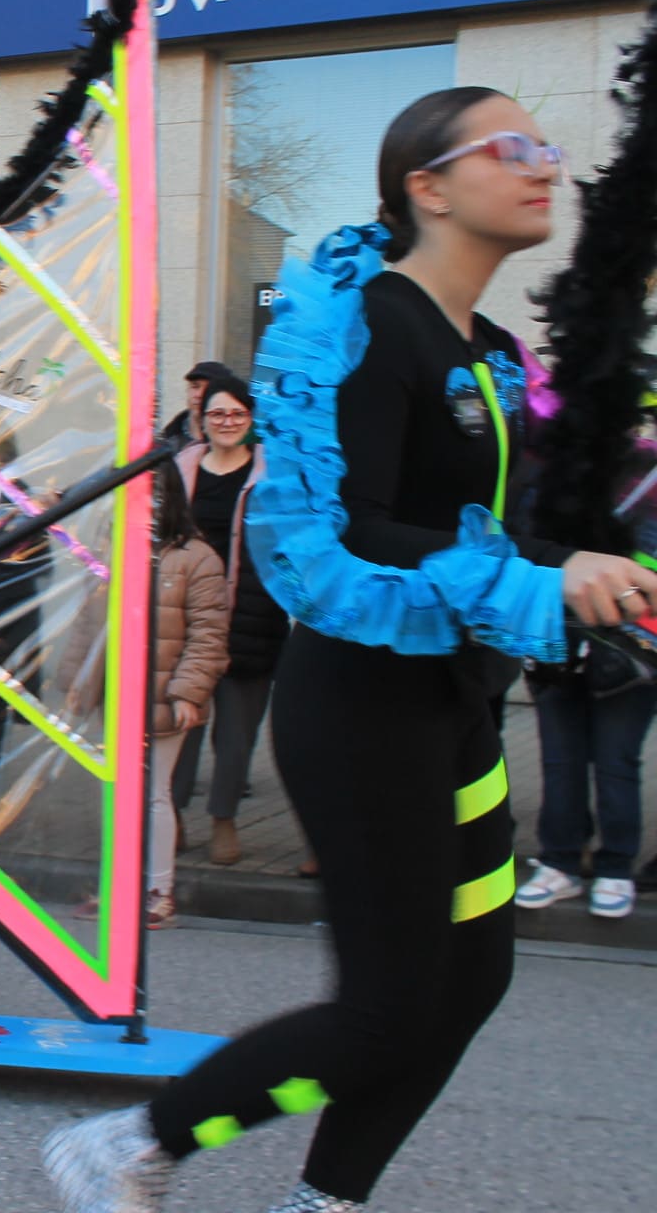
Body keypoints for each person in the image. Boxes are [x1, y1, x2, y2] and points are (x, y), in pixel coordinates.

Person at [43, 88, 657, 1213]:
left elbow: (504, 533)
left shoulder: (494, 352)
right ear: (426, 184)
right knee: (388, 999)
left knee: (471, 979)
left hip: (455, 706)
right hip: (361, 710)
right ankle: (132, 1141)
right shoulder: (363, 325)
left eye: (548, 148)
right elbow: (338, 535)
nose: (544, 168)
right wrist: (537, 577)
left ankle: (325, 1201)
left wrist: (591, 570)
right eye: (511, 147)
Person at [172, 375, 291, 865]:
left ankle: (223, 818)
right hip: (184, 616)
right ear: (203, 418)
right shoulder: (181, 467)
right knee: (180, 723)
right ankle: (171, 813)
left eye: (237, 415)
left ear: (251, 420)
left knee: (236, 731)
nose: (226, 423)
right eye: (217, 414)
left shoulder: (272, 473)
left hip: (250, 613)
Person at [139, 465, 230, 927]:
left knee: (153, 794)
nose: (146, 503)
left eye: (154, 493)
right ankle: (124, 888)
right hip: (121, 692)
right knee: (121, 794)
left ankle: (159, 891)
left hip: (164, 695)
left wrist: (186, 693)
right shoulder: (117, 544)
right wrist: (78, 682)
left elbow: (209, 635)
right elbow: (91, 623)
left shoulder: (197, 558)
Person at [514, 631, 654, 920]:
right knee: (560, 762)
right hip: (555, 638)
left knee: (615, 763)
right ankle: (560, 861)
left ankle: (616, 867)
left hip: (630, 641)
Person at [159, 359, 234, 449]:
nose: (199, 395)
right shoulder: (167, 443)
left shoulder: (239, 445)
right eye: (195, 386)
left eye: (208, 388)